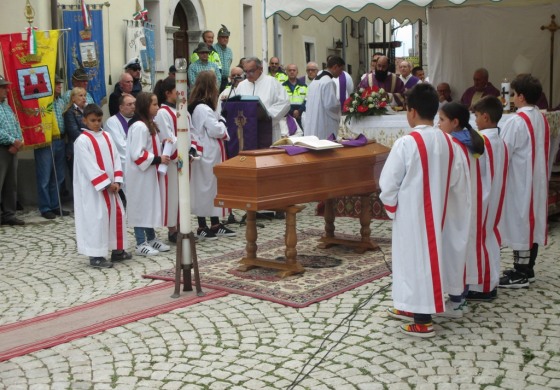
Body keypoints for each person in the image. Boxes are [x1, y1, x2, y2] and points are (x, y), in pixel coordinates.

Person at [380, 83, 468, 337]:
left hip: (411, 213)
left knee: (415, 262)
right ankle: (409, 305)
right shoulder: (449, 142)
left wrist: (393, 208)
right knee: (418, 262)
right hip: (438, 212)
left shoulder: (406, 143)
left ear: (412, 111)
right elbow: (456, 180)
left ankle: (423, 319)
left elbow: (387, 184)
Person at [498, 74, 550, 288]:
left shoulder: (518, 121)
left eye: (513, 94)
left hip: (521, 179)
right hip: (536, 177)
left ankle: (521, 272)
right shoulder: (540, 117)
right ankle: (528, 268)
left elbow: (504, 150)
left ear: (520, 96)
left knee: (522, 220)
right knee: (531, 219)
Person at [437, 102, 486, 317]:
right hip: (468, 202)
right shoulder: (469, 140)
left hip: (455, 205)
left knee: (454, 249)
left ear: (455, 122)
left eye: (442, 120)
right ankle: (461, 296)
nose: (438, 124)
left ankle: (456, 301)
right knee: (463, 248)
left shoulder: (453, 145)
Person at [73, 104, 130, 269]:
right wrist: (106, 184)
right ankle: (96, 255)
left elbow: (116, 158)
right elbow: (88, 166)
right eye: (92, 120)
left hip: (112, 187)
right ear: (84, 120)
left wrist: (117, 180)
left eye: (99, 120)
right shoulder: (82, 141)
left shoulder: (107, 136)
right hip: (94, 189)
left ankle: (117, 250)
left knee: (116, 215)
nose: (96, 123)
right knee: (96, 219)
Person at [467, 96, 508, 301]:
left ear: (485, 116)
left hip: (482, 196)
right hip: (495, 195)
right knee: (490, 237)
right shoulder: (499, 140)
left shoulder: (481, 141)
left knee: (479, 239)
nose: (475, 120)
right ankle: (490, 281)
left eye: (476, 116)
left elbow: (475, 168)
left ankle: (481, 286)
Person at [188, 71, 236, 240]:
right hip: (206, 152)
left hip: (210, 151)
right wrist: (223, 122)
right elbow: (216, 129)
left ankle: (215, 223)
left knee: (212, 188)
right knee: (204, 188)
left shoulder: (204, 106)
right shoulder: (202, 108)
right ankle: (202, 226)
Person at [126, 92, 172, 256]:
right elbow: (137, 153)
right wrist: (159, 158)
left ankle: (151, 238)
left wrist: (162, 144)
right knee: (141, 205)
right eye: (154, 104)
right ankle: (140, 242)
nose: (158, 107)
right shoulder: (139, 126)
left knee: (148, 205)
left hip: (148, 173)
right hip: (140, 175)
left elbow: (149, 146)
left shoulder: (148, 124)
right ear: (146, 106)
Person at [34, 77, 69, 220]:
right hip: (46, 141)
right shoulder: (43, 102)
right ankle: (45, 207)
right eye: (56, 84)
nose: (60, 86)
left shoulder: (61, 101)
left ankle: (55, 204)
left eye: (60, 83)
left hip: (60, 139)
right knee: (45, 176)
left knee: (58, 176)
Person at [236, 57, 290, 142]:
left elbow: (285, 102)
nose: (248, 74)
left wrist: (267, 116)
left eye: (251, 71)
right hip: (247, 130)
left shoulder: (272, 82)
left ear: (260, 69)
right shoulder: (241, 85)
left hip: (268, 129)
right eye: (245, 71)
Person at [153, 77, 180, 243]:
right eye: (177, 89)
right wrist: (181, 150)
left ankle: (180, 225)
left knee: (180, 195)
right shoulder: (163, 112)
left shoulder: (178, 109)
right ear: (168, 93)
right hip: (172, 159)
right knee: (172, 195)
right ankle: (172, 229)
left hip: (181, 158)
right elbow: (168, 137)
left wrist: (191, 149)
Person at [0, 74, 25, 226]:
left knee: (11, 184)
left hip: (12, 150)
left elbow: (16, 125)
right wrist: (12, 141)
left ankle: (9, 214)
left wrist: (18, 141)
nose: (6, 90)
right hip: (2, 148)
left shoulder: (7, 107)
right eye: (3, 87)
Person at [104, 93, 136, 206]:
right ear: (121, 107)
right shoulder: (112, 122)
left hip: (137, 159)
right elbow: (121, 146)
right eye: (129, 104)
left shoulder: (137, 120)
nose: (133, 106)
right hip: (124, 161)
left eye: (134, 104)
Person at [303, 56, 345, 139]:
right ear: (335, 67)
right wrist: (339, 105)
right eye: (341, 69)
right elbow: (331, 106)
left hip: (312, 120)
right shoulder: (328, 82)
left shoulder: (315, 81)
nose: (341, 73)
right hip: (323, 122)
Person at [63, 87, 87, 183]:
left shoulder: (88, 110)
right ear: (73, 98)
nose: (84, 98)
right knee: (77, 179)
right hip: (75, 148)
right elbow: (74, 132)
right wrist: (90, 139)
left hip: (88, 147)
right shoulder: (70, 112)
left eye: (85, 95)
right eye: (80, 95)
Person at [213, 24, 233, 92]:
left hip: (225, 80)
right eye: (223, 37)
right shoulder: (213, 48)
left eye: (227, 37)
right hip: (215, 79)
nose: (225, 39)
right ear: (218, 38)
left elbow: (229, 63)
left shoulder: (229, 51)